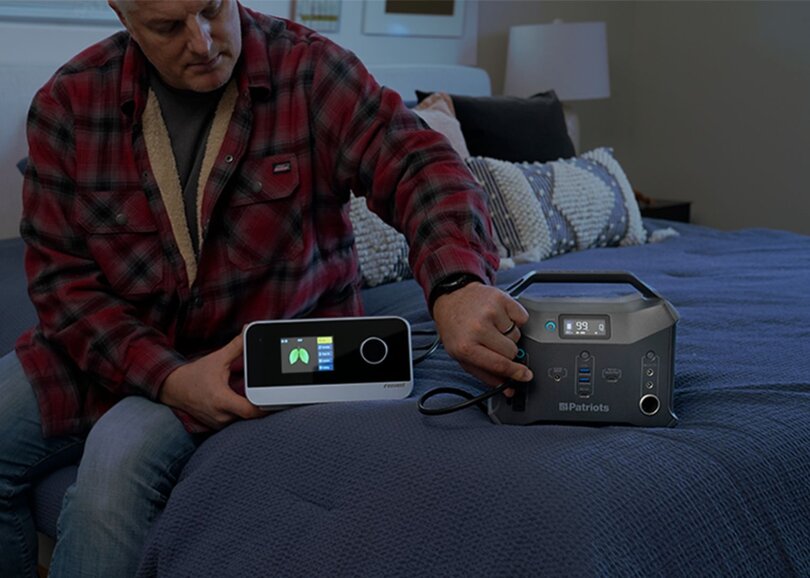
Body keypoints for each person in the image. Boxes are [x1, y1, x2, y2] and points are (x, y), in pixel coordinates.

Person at [0, 0, 534, 575]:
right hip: (115, 344)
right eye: (168, 27)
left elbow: (421, 164)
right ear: (123, 16)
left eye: (211, 10)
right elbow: (63, 286)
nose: (202, 43)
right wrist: (171, 377)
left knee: (114, 465)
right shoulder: (68, 106)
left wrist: (455, 283)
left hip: (266, 354)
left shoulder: (308, 71)